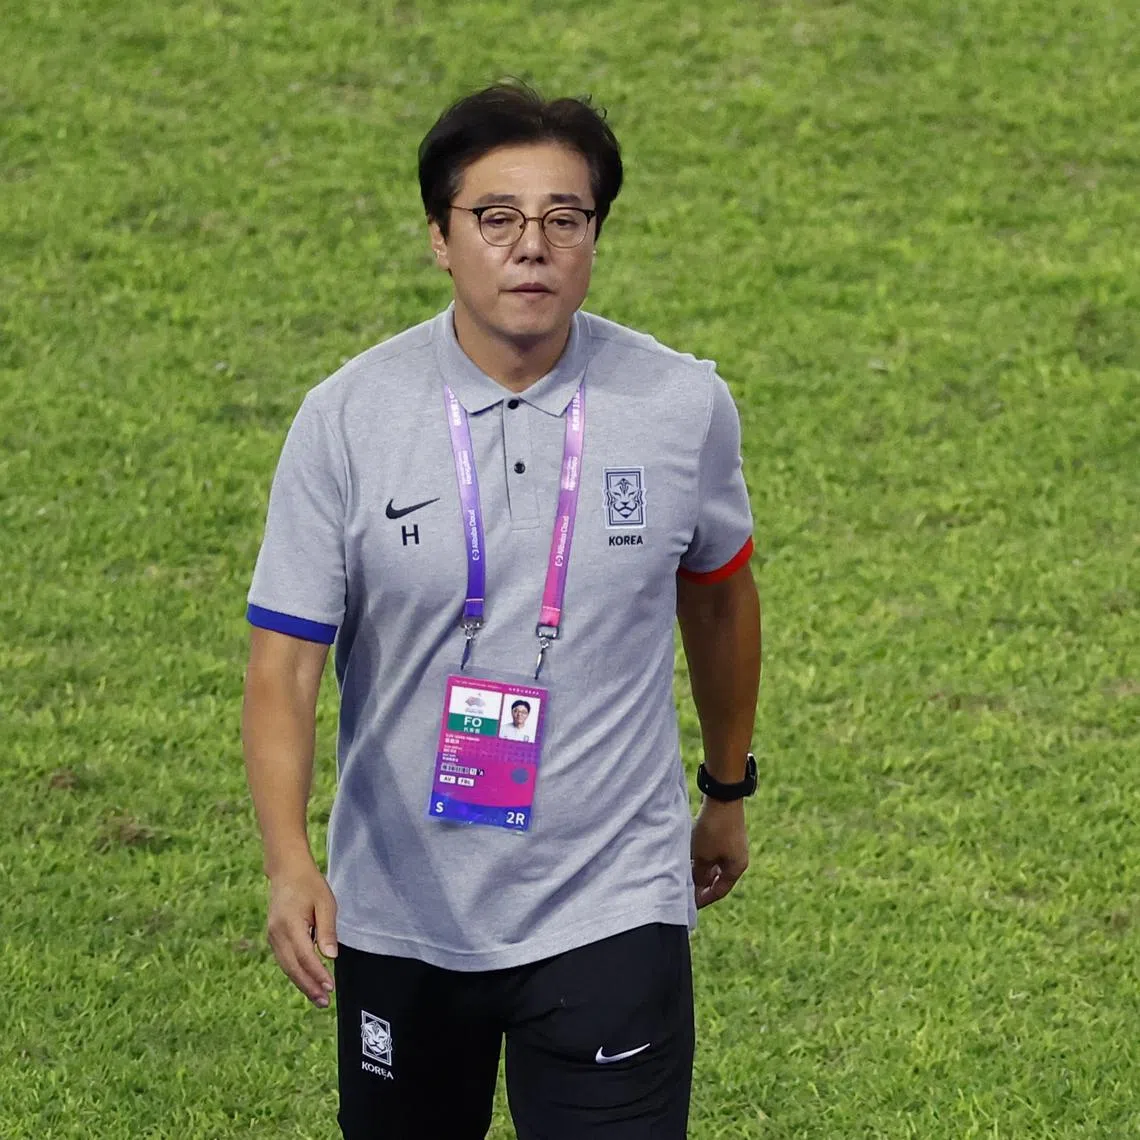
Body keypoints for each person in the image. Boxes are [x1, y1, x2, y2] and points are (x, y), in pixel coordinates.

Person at [241, 80, 762, 1140]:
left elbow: (719, 600)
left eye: (564, 219)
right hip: (401, 906)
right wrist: (290, 860)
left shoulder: (679, 404)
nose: (533, 247)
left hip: (612, 898)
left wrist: (727, 785)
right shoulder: (346, 419)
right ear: (440, 236)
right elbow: (285, 660)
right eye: (497, 218)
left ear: (596, 237)